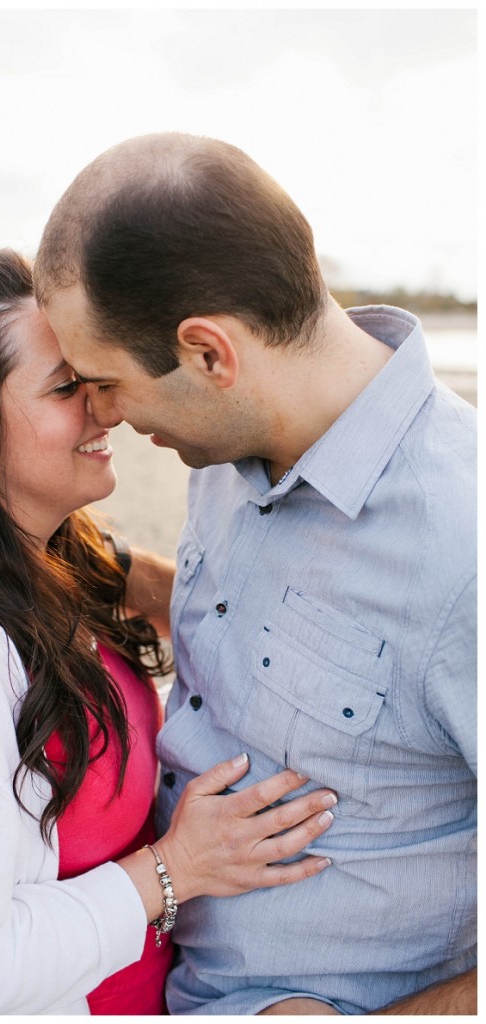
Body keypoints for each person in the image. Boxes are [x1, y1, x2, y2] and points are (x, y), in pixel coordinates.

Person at [33, 133, 477, 1015]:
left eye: (108, 383)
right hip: (151, 966)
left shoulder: (464, 543)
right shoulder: (226, 450)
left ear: (209, 354)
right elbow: (263, 610)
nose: (104, 416)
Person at [0, 248, 338, 1015]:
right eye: (67, 387)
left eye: (94, 377)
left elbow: (193, 600)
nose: (106, 407)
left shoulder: (60, 559)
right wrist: (176, 867)